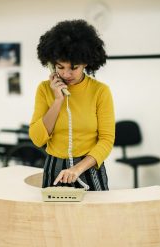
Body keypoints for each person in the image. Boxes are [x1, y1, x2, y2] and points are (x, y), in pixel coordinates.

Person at [29, 19, 115, 191]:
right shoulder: (45, 89)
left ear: (86, 63)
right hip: (54, 169)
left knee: (93, 218)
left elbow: (106, 140)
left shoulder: (100, 91)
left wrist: (77, 169)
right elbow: (37, 139)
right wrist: (58, 100)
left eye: (73, 68)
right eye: (60, 67)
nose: (66, 74)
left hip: (89, 168)